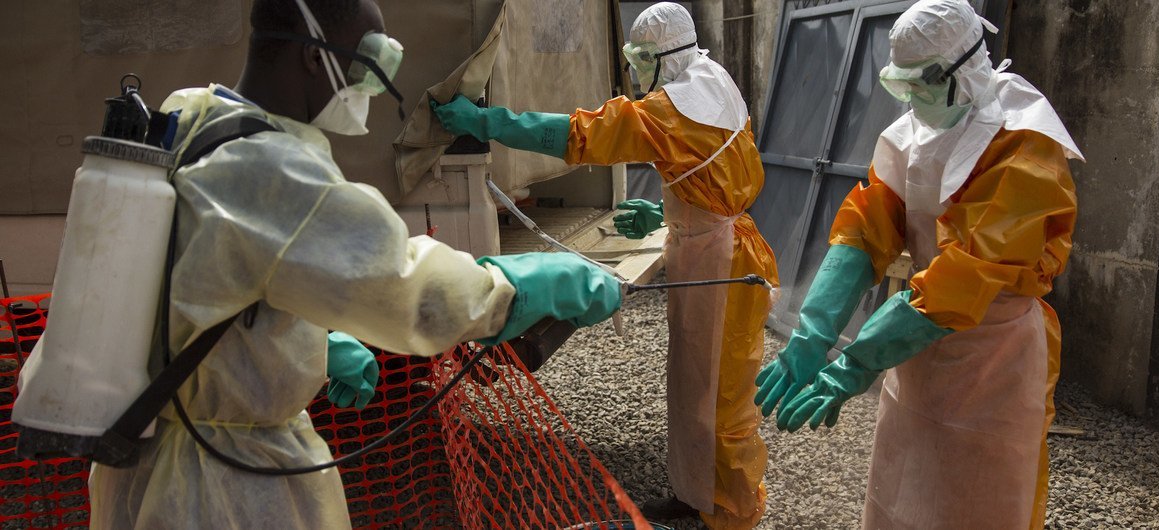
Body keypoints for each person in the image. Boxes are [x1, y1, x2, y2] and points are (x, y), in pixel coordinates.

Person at [85, 0, 621, 528]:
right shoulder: (273, 170)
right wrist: (519, 286)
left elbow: (206, 280)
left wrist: (306, 339)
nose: (371, 86)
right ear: (315, 57)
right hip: (224, 490)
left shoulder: (192, 119)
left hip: (138, 464)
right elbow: (412, 292)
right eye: (368, 63)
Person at [432, 3, 777, 528]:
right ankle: (698, 496)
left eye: (640, 58)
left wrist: (486, 121)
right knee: (693, 381)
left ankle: (731, 516)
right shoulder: (714, 83)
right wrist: (668, 211)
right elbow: (722, 170)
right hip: (717, 241)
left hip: (722, 261)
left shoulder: (669, 111)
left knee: (721, 397)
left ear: (662, 56)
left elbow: (576, 135)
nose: (637, 69)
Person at [754, 0, 1083, 528]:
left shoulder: (1024, 146)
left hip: (992, 355)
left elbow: (966, 273)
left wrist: (855, 363)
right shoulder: (914, 133)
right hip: (915, 346)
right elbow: (867, 228)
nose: (912, 99)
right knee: (901, 493)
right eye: (901, 84)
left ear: (963, 70)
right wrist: (813, 332)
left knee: (979, 500)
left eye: (922, 84)